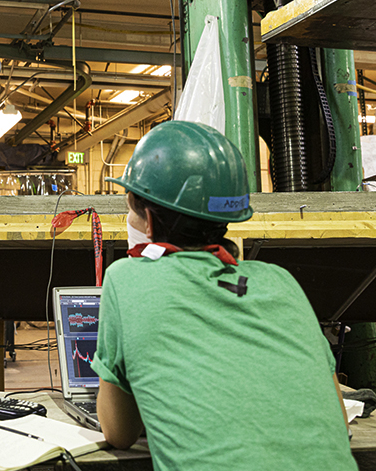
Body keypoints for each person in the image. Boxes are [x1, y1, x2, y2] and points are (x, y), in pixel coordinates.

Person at [91, 121, 356, 469]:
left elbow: (119, 433)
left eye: (129, 205)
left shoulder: (125, 279)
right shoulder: (281, 282)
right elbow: (334, 415)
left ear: (149, 220)